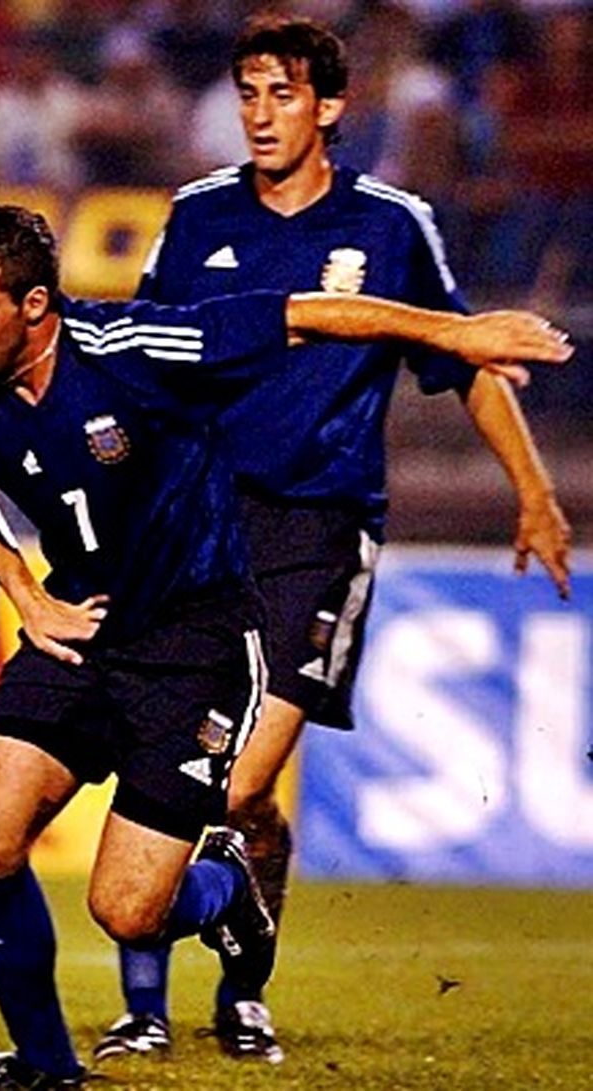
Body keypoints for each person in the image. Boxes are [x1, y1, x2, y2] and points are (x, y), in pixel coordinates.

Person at [0, 205, 570, 1090]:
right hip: (80, 624)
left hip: (197, 639)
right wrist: (11, 580)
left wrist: (459, 331)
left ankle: (224, 888)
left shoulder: (135, 347)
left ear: (35, 306)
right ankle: (46, 1066)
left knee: (128, 911)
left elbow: (309, 314)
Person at [97, 15, 573, 1067]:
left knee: (245, 781)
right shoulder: (197, 214)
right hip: (195, 518)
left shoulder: (392, 223)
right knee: (171, 755)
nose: (260, 114)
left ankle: (242, 983)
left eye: (282, 94)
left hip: (318, 523)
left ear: (330, 107)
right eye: (247, 93)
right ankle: (143, 1003)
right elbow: (145, 356)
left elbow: (465, 359)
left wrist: (533, 494)